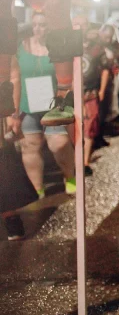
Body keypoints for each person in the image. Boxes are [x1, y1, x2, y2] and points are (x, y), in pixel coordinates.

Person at [7, 13, 76, 197]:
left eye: (43, 25)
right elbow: (12, 78)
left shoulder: (57, 48)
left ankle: (70, 177)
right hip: (27, 105)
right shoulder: (19, 49)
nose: (39, 29)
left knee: (59, 143)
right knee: (30, 145)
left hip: (53, 105)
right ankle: (38, 189)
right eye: (36, 25)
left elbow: (69, 76)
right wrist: (12, 112)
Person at [81, 25, 110, 176]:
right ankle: (75, 160)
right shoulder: (73, 46)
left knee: (89, 128)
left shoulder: (98, 49)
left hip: (90, 93)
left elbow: (105, 68)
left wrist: (102, 90)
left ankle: (85, 162)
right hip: (74, 93)